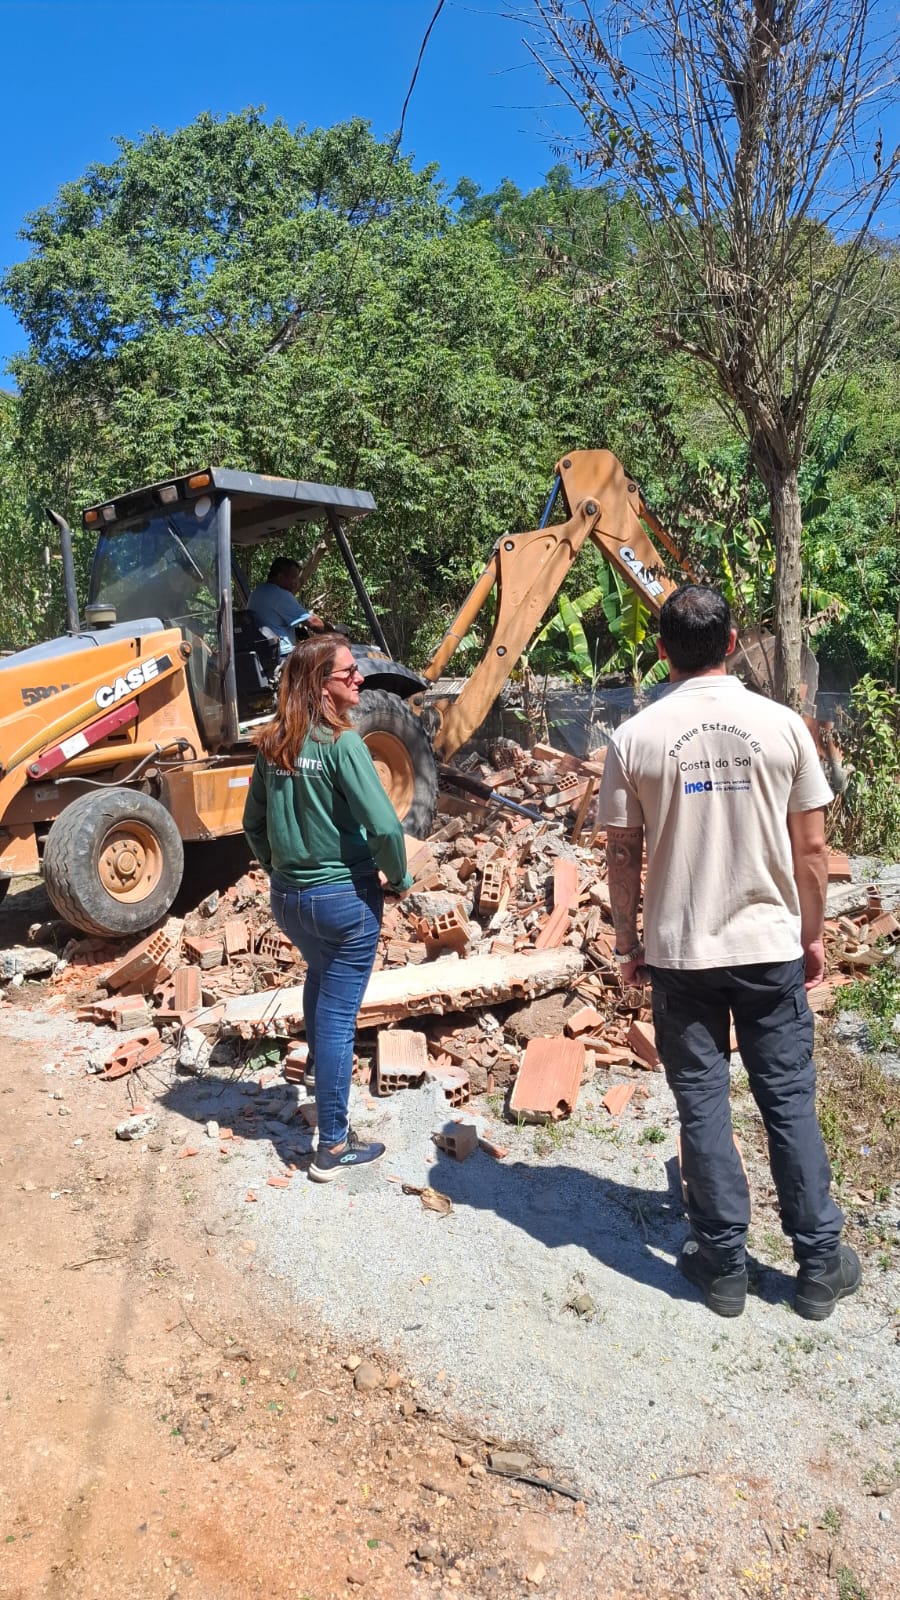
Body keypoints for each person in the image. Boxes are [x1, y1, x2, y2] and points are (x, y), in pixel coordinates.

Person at [598, 584, 860, 1321]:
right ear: (735, 640)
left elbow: (624, 853)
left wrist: (628, 943)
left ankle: (722, 1268)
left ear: (660, 650)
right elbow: (811, 849)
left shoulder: (636, 736)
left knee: (702, 1102)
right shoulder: (782, 728)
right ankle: (817, 1266)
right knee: (786, 1098)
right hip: (768, 947)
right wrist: (811, 933)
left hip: (681, 953)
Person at [242, 632, 413, 1181]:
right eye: (348, 673)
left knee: (319, 978)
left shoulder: (274, 744)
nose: (359, 679)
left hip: (290, 900)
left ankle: (321, 1075)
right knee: (340, 1015)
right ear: (320, 686)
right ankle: (333, 1146)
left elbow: (253, 826)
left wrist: (280, 871)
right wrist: (401, 876)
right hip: (343, 899)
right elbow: (385, 824)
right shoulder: (343, 745)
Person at [247, 557, 325, 651]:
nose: (296, 583)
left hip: (263, 653)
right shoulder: (279, 594)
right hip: (281, 656)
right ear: (280, 577)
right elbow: (313, 622)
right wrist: (337, 635)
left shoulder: (257, 592)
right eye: (294, 578)